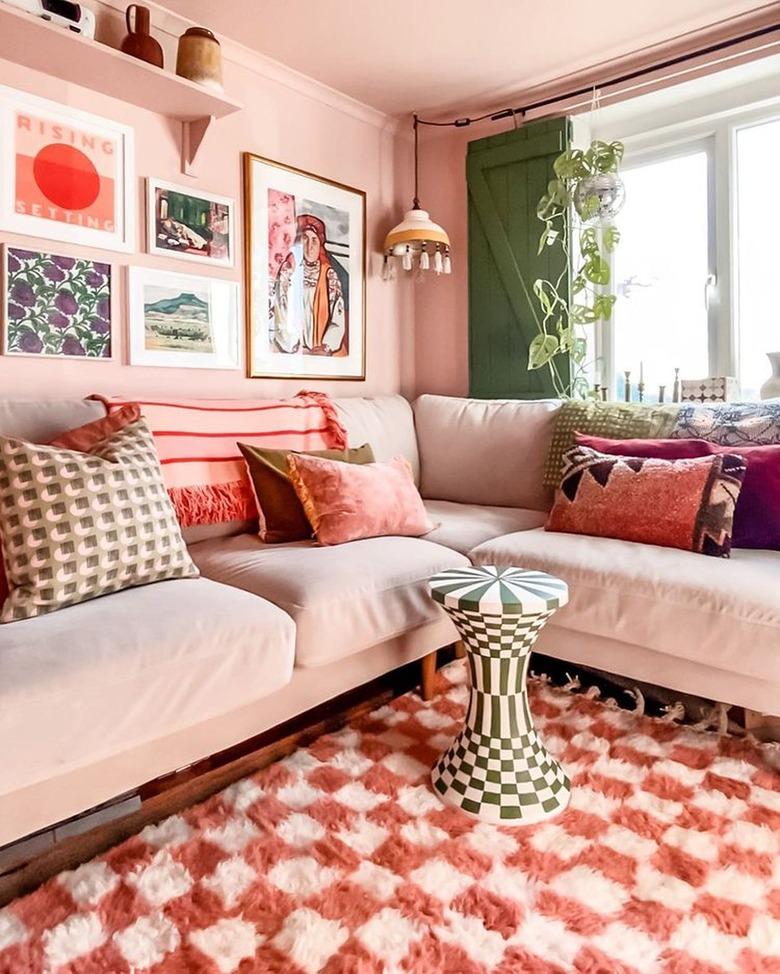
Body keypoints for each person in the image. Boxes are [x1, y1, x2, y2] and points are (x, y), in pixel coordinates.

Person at [271, 214, 347, 356]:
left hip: (321, 351)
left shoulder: (329, 275)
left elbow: (338, 316)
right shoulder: (288, 271)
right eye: (305, 239)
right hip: (292, 349)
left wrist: (326, 346)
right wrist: (294, 346)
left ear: (320, 244)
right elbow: (280, 313)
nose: (310, 246)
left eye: (314, 240)